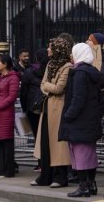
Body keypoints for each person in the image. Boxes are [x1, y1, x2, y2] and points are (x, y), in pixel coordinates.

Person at [59, 43, 104, 197]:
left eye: (73, 53)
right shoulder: (92, 71)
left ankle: (83, 186)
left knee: (79, 155)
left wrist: (68, 115)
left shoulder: (79, 73)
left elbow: (78, 98)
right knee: (90, 154)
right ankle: (91, 184)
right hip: (90, 119)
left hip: (79, 120)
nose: (71, 56)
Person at [32, 38, 72, 188]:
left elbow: (58, 88)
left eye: (51, 48)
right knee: (45, 143)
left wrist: (48, 86)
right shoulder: (50, 64)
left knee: (58, 145)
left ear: (58, 50)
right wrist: (49, 86)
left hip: (59, 108)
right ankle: (45, 176)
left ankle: (60, 177)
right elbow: (42, 85)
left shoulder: (67, 66)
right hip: (48, 106)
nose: (48, 50)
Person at [0, 54, 20, 178]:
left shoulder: (13, 78)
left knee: (6, 142)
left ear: (5, 64)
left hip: (5, 114)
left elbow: (12, 97)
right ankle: (0, 168)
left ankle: (8, 170)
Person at [20, 48, 48, 152]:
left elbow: (23, 92)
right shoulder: (51, 71)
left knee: (37, 134)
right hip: (46, 107)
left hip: (32, 107)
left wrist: (24, 108)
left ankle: (40, 161)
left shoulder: (29, 72)